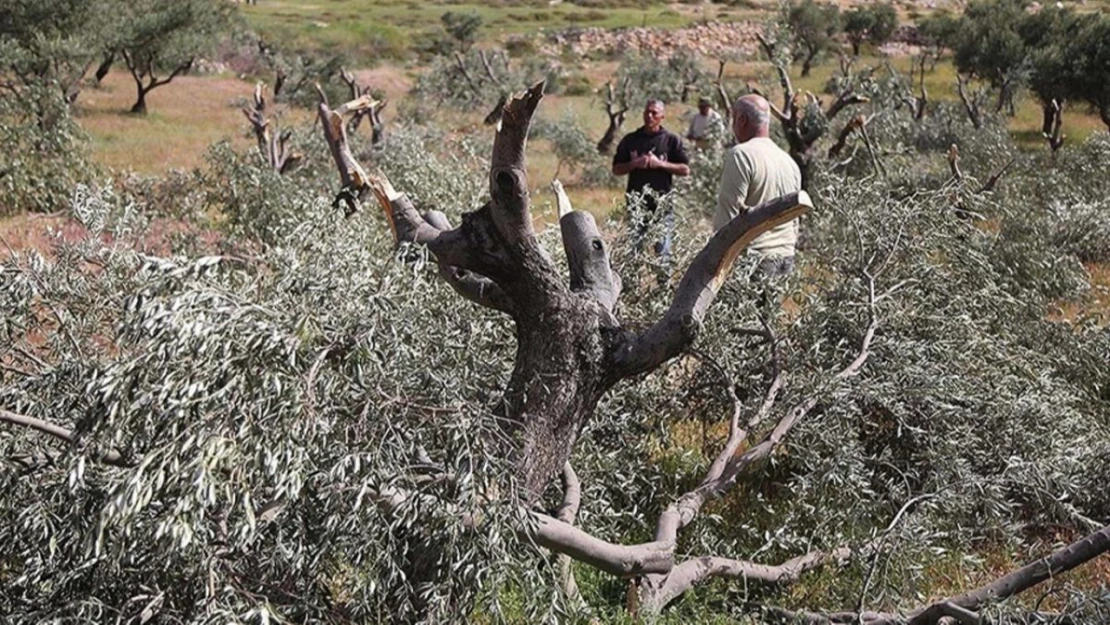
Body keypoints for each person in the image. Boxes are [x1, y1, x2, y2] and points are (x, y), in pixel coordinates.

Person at [713, 94, 802, 282]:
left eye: (734, 118)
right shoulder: (789, 162)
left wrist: (714, 263)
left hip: (753, 261)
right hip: (785, 258)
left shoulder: (741, 155)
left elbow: (728, 217)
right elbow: (795, 220)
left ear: (742, 120)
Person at [612, 99, 690, 260]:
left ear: (662, 116)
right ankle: (632, 284)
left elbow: (685, 169)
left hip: (662, 208)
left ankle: (664, 285)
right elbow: (616, 169)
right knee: (633, 253)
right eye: (647, 112)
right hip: (637, 206)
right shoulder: (631, 140)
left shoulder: (670, 140)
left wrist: (659, 164)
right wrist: (635, 164)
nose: (649, 116)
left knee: (663, 254)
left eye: (654, 112)